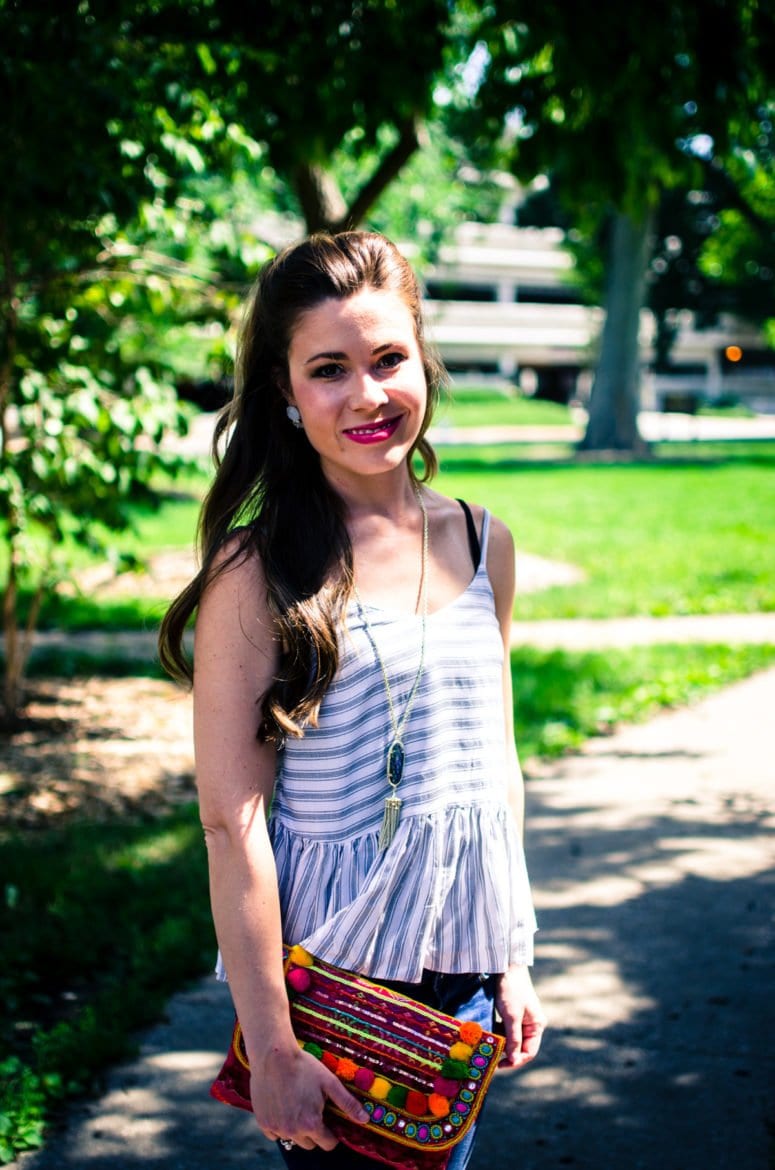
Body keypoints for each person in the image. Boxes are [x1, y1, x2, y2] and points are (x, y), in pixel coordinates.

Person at [158, 230, 546, 1169]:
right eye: (328, 370)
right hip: (332, 982)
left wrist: (516, 952)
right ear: (286, 396)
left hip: (463, 975)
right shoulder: (256, 572)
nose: (367, 396)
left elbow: (493, 763)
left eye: (387, 359)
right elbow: (229, 821)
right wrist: (276, 1048)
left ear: (423, 359)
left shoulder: (484, 540)